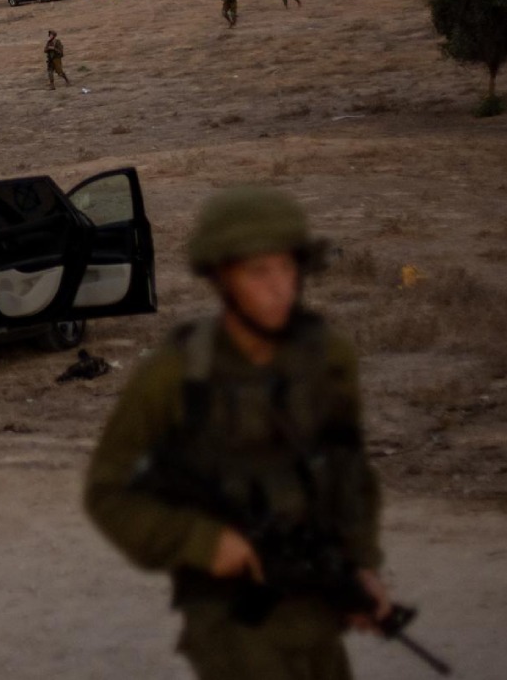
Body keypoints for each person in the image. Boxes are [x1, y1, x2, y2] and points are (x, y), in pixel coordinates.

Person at [84, 187, 389, 680]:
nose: (281, 288)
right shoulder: (175, 375)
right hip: (228, 616)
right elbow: (108, 492)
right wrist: (204, 542)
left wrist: (360, 566)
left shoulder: (327, 359)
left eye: (289, 269)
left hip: (314, 602)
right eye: (259, 272)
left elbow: (349, 470)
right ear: (222, 276)